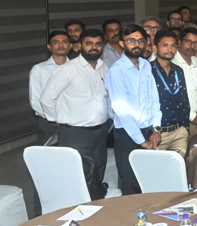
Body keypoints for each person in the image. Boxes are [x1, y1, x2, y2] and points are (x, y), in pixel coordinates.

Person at [40, 29, 111, 212]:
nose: (94, 47)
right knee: (76, 175)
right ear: (80, 46)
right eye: (89, 43)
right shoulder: (68, 69)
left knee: (97, 174)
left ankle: (95, 211)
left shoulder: (104, 67)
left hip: (100, 131)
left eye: (98, 44)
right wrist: (59, 121)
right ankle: (75, 214)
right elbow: (46, 99)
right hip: (75, 133)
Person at [106, 25, 160, 195]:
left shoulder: (146, 65)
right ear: (122, 43)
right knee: (131, 184)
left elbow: (154, 98)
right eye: (131, 40)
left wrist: (156, 129)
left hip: (149, 131)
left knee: (149, 182)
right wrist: (141, 141)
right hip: (128, 135)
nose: (136, 44)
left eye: (140, 40)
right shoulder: (116, 71)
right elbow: (121, 110)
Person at [149, 31, 191, 157]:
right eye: (165, 45)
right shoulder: (147, 70)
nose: (170, 49)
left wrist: (185, 127)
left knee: (180, 167)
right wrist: (152, 130)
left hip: (179, 132)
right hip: (157, 134)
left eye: (173, 46)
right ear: (155, 48)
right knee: (156, 167)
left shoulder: (178, 70)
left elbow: (184, 99)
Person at [30, 31, 70, 145]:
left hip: (73, 122)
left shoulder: (77, 68)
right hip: (48, 122)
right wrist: (55, 118)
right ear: (49, 46)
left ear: (70, 45)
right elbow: (35, 100)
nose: (61, 45)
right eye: (56, 42)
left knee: (73, 153)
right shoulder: (39, 69)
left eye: (65, 42)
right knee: (47, 153)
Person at [172, 27, 197, 139]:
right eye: (188, 41)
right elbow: (173, 96)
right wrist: (192, 116)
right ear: (180, 41)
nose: (192, 46)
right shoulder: (172, 63)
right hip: (179, 122)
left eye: (196, 43)